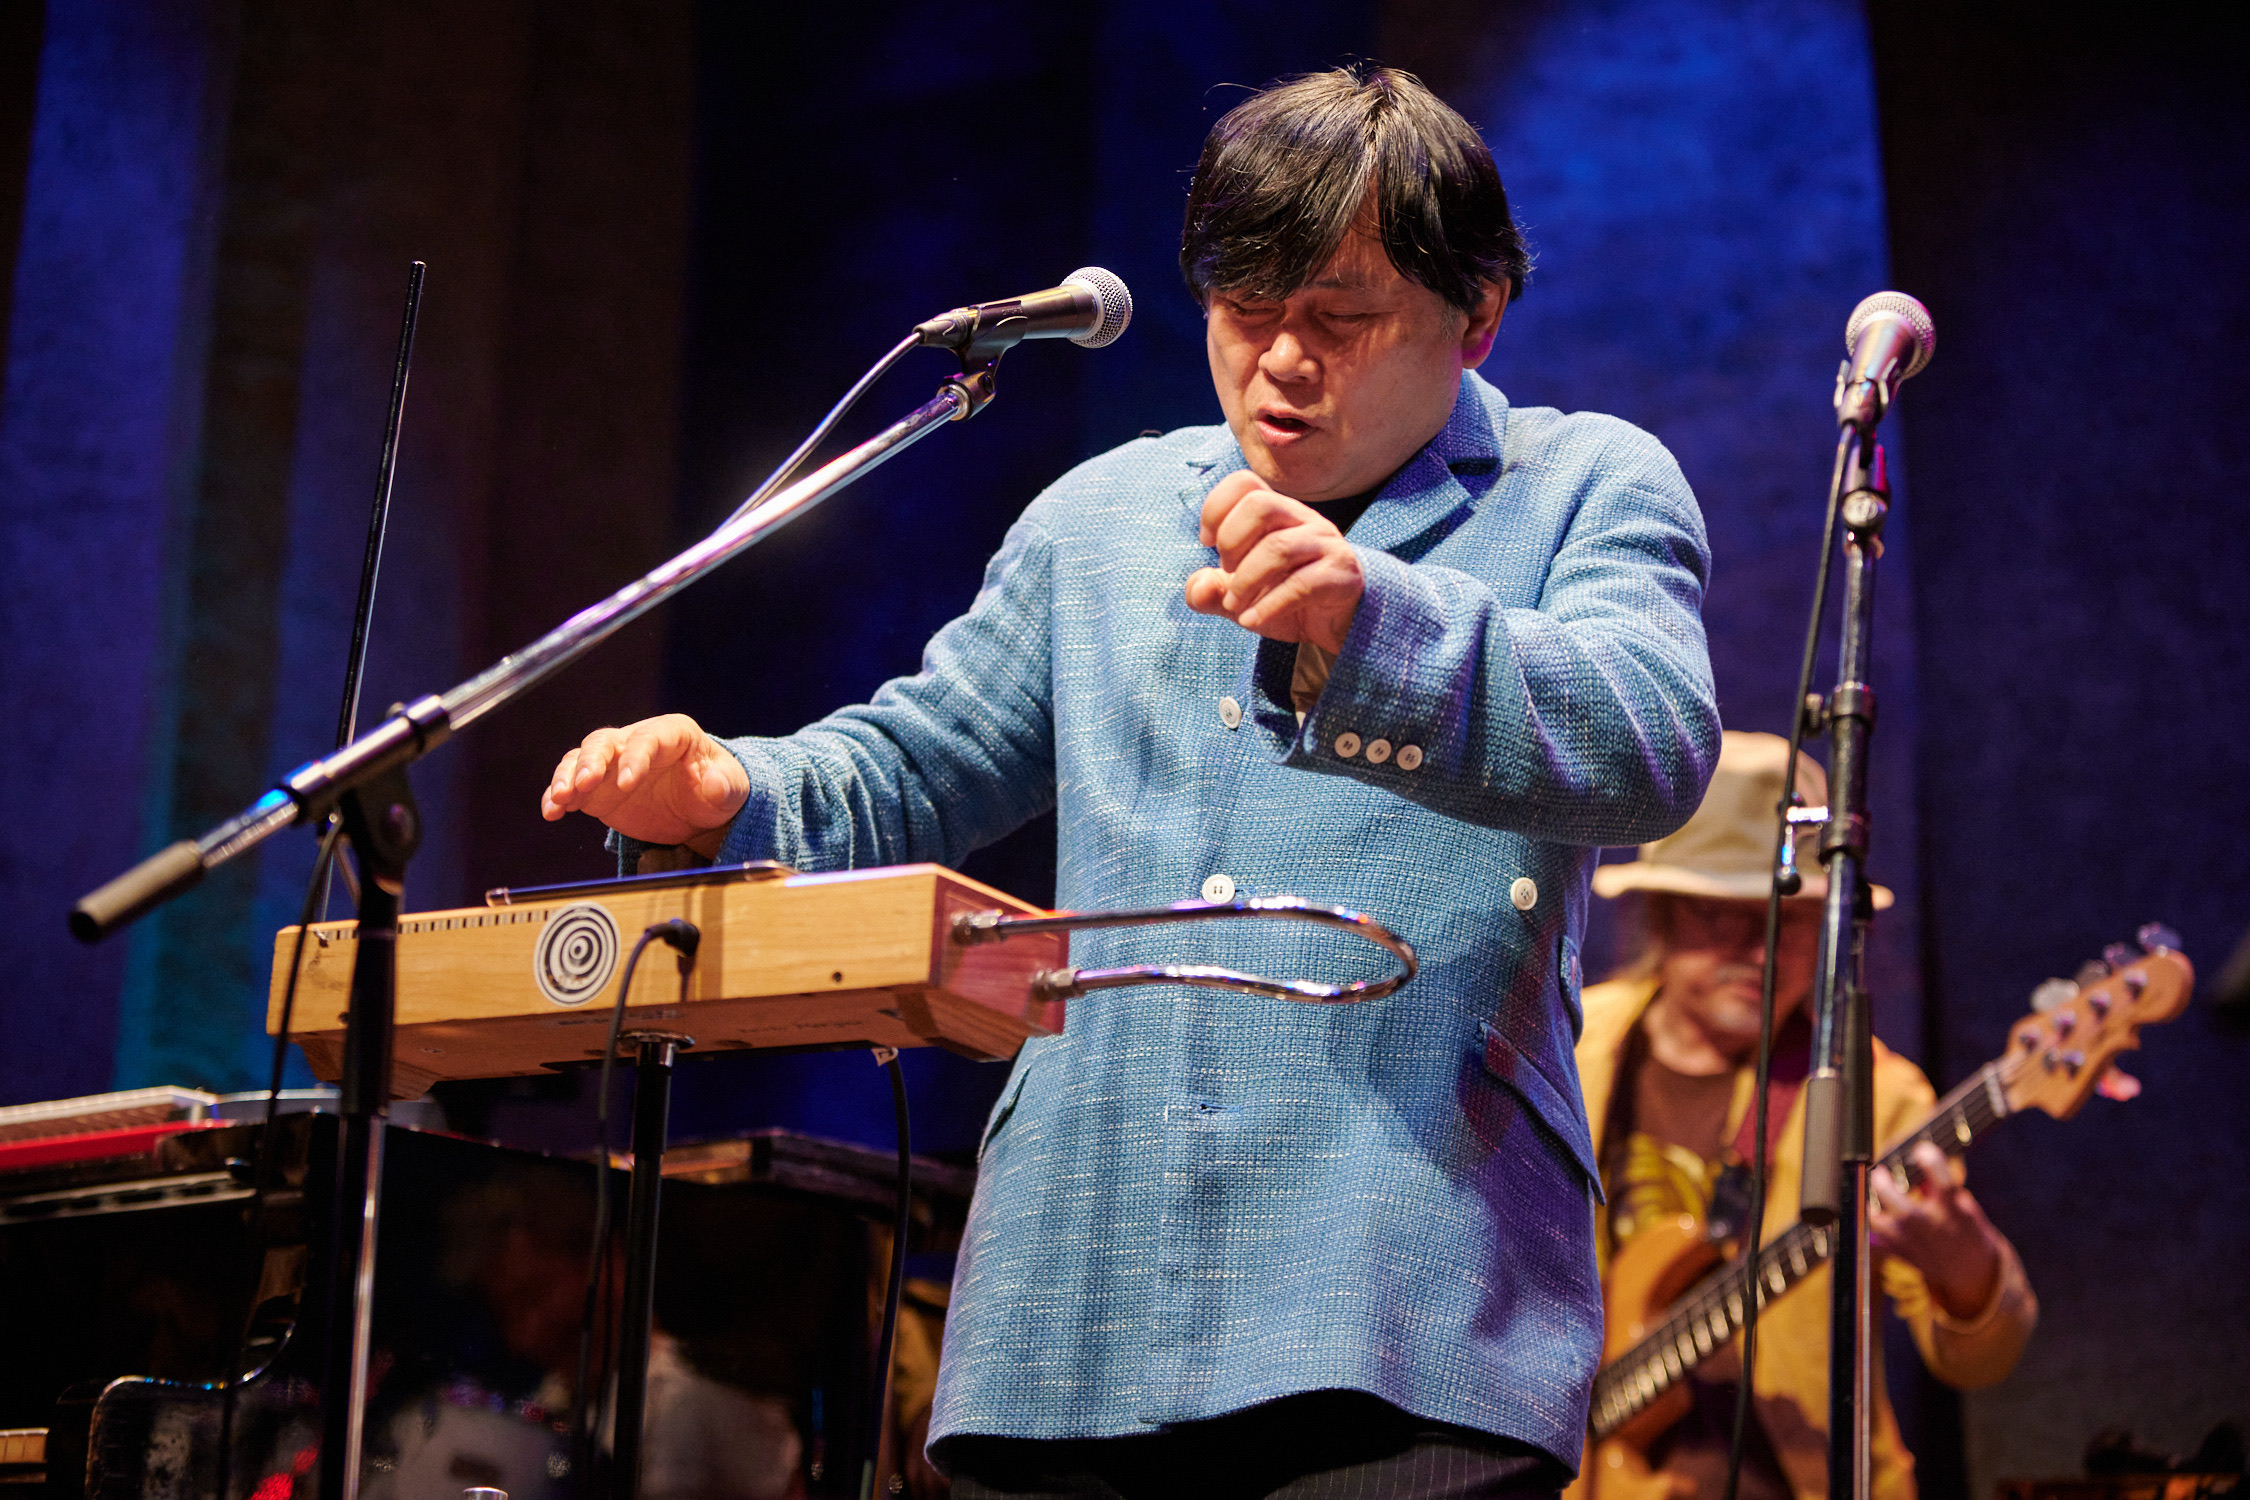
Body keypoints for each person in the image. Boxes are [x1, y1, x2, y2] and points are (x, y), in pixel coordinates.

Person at [544, 66, 1721, 1499]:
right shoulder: (1104, 514)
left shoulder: (1585, 484)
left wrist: (1375, 623)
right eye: (1243, 309)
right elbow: (922, 757)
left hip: (1406, 1290)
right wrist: (732, 787)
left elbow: (1649, 737)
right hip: (1069, 1304)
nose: (1281, 361)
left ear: (1477, 318)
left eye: (1339, 319)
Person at [1574, 732, 2036, 1500]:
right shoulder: (1570, 1041)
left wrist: (1968, 1271)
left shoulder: (1876, 1096)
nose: (1757, 947)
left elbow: (1980, 1361)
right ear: (1661, 913)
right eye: (1720, 911)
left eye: (1788, 919)